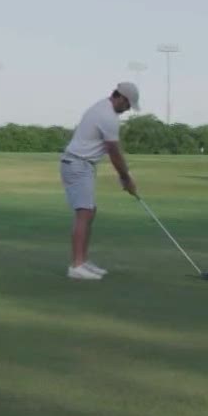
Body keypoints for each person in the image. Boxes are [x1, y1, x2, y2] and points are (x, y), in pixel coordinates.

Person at [60, 82, 141, 281]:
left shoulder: (103, 108)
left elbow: (114, 152)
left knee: (89, 211)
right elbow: (114, 152)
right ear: (120, 97)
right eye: (128, 105)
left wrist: (126, 176)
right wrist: (125, 178)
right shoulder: (107, 116)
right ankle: (77, 266)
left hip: (82, 164)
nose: (128, 109)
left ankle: (83, 261)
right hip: (77, 164)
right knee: (84, 212)